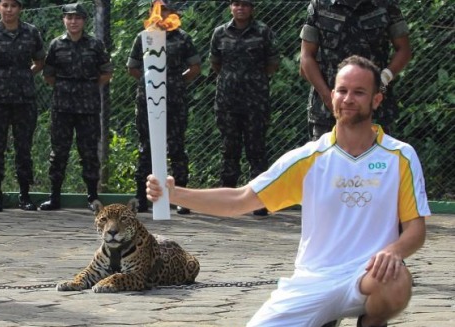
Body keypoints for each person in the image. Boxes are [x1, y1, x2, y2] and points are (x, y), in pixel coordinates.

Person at [146, 56, 429, 327]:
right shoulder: (308, 158)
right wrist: (175, 194)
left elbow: (415, 230)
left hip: (368, 278)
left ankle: (371, 322)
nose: (348, 99)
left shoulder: (399, 156)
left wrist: (394, 252)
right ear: (331, 97)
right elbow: (240, 200)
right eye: (342, 90)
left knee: (397, 279)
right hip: (313, 280)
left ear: (376, 100)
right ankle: (322, 318)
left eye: (359, 92)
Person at [127, 0, 201, 214]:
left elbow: (195, 67)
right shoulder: (144, 36)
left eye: (166, 9)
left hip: (175, 100)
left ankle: (180, 198)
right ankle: (142, 198)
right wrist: (151, 85)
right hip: (148, 102)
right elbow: (132, 67)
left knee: (176, 147)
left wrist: (174, 82)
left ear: (172, 13)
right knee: (146, 147)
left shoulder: (183, 38)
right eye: (157, 9)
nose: (161, 13)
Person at [300, 0, 412, 140]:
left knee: (375, 159)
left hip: (374, 109)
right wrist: (328, 97)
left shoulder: (386, 5)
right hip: (327, 113)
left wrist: (383, 79)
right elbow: (306, 57)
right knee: (326, 160)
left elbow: (404, 50)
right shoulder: (320, 5)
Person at [39, 3, 113, 211]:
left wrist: (86, 87)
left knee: (89, 152)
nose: (73, 21)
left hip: (88, 107)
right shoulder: (56, 45)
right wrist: (67, 88)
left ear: (84, 21)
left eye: (77, 18)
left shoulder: (95, 45)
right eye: (69, 18)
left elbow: (106, 72)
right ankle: (54, 197)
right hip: (62, 107)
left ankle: (92, 197)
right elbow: (48, 75)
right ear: (64, 20)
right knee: (58, 152)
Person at [209, 0, 280, 216]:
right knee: (229, 149)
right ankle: (227, 201)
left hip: (255, 101)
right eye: (236, 4)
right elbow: (215, 63)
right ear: (231, 7)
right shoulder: (220, 33)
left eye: (245, 5)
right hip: (228, 101)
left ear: (252, 9)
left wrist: (252, 80)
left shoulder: (263, 32)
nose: (241, 8)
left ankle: (258, 201)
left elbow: (272, 64)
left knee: (256, 150)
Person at [0, 0, 45, 212]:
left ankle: (24, 195)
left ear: (20, 9)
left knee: (23, 149)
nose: (9, 10)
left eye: (14, 6)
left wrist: (25, 75)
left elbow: (40, 61)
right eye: (5, 5)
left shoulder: (31, 32)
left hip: (24, 100)